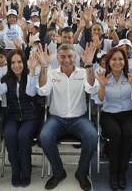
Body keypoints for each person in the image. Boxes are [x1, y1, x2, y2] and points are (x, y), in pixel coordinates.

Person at [37, 44, 98, 191]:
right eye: (63, 56)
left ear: (75, 57)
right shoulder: (51, 73)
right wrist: (44, 66)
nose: (66, 60)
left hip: (79, 119)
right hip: (56, 119)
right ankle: (58, 172)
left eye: (70, 56)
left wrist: (89, 65)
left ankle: (81, 173)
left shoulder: (84, 72)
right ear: (57, 58)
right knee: (44, 137)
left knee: (92, 136)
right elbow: (42, 91)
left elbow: (92, 88)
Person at [0, 49, 44, 187]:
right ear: (9, 64)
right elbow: (0, 90)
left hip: (30, 117)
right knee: (10, 135)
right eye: (13, 62)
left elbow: (31, 93)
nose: (16, 65)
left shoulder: (31, 74)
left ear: (24, 62)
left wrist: (31, 72)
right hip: (12, 116)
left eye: (19, 62)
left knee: (23, 136)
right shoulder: (7, 79)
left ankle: (26, 172)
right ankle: (15, 170)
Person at [94, 48, 132, 190]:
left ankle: (122, 172)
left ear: (125, 61)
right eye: (114, 59)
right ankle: (113, 173)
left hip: (127, 114)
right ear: (108, 62)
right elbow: (98, 101)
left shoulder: (130, 77)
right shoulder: (103, 77)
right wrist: (102, 86)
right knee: (115, 134)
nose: (117, 62)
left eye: (120, 59)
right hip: (109, 114)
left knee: (128, 134)